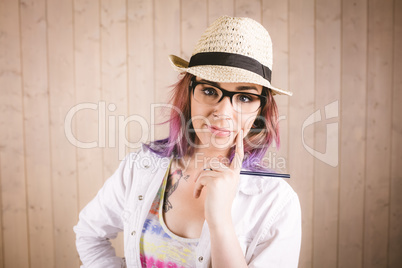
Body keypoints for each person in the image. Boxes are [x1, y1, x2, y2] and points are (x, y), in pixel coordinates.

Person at [74, 16, 301, 268]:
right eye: (209, 90)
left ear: (261, 108)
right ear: (189, 93)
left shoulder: (276, 203)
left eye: (245, 97)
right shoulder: (139, 167)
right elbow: (89, 234)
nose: (223, 112)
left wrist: (220, 220)